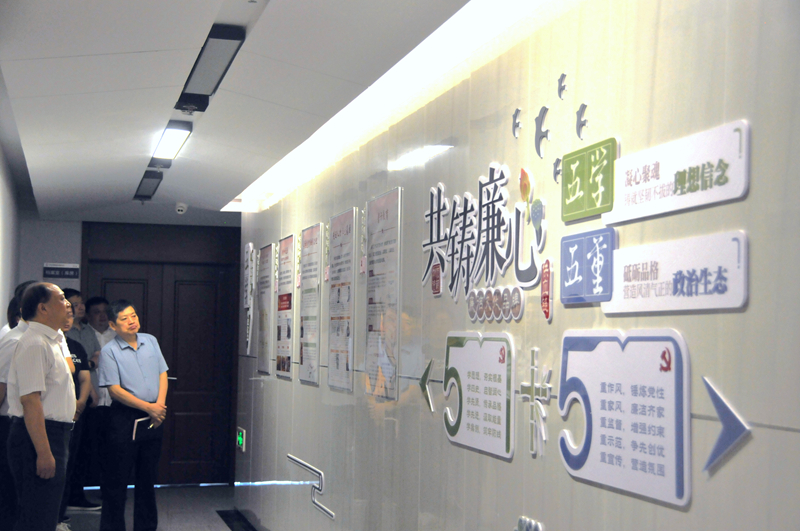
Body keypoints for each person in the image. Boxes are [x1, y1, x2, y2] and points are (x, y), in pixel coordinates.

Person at [5, 283, 75, 531]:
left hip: (52, 433)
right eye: (61, 299)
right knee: (37, 518)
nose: (68, 304)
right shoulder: (35, 343)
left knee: (44, 515)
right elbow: (30, 401)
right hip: (38, 436)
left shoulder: (52, 339)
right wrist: (44, 453)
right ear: (43, 308)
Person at [98, 300, 168, 531]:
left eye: (134, 316)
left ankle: (146, 527)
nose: (131, 321)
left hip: (154, 416)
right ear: (113, 325)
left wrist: (158, 406)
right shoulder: (109, 351)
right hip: (124, 418)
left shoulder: (150, 340)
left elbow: (163, 373)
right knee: (117, 480)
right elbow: (114, 390)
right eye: (124, 318)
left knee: (147, 478)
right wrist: (149, 408)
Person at [0, 280, 58, 528]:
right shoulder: (18, 340)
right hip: (13, 422)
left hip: (32, 422)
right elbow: (4, 387)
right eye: (60, 300)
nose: (66, 306)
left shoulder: (45, 338)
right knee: (16, 500)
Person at [62, 288, 103, 513]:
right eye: (74, 304)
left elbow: (95, 356)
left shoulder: (86, 331)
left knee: (84, 450)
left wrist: (90, 364)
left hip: (86, 399)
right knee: (66, 455)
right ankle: (64, 502)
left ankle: (76, 496)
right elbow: (79, 367)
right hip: (68, 403)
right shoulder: (62, 335)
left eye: (80, 303)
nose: (80, 307)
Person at [57, 306, 94, 526]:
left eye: (71, 316)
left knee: (69, 466)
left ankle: (60, 516)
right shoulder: (47, 344)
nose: (68, 319)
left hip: (75, 415)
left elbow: (85, 379)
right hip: (55, 416)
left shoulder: (76, 346)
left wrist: (80, 404)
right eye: (65, 314)